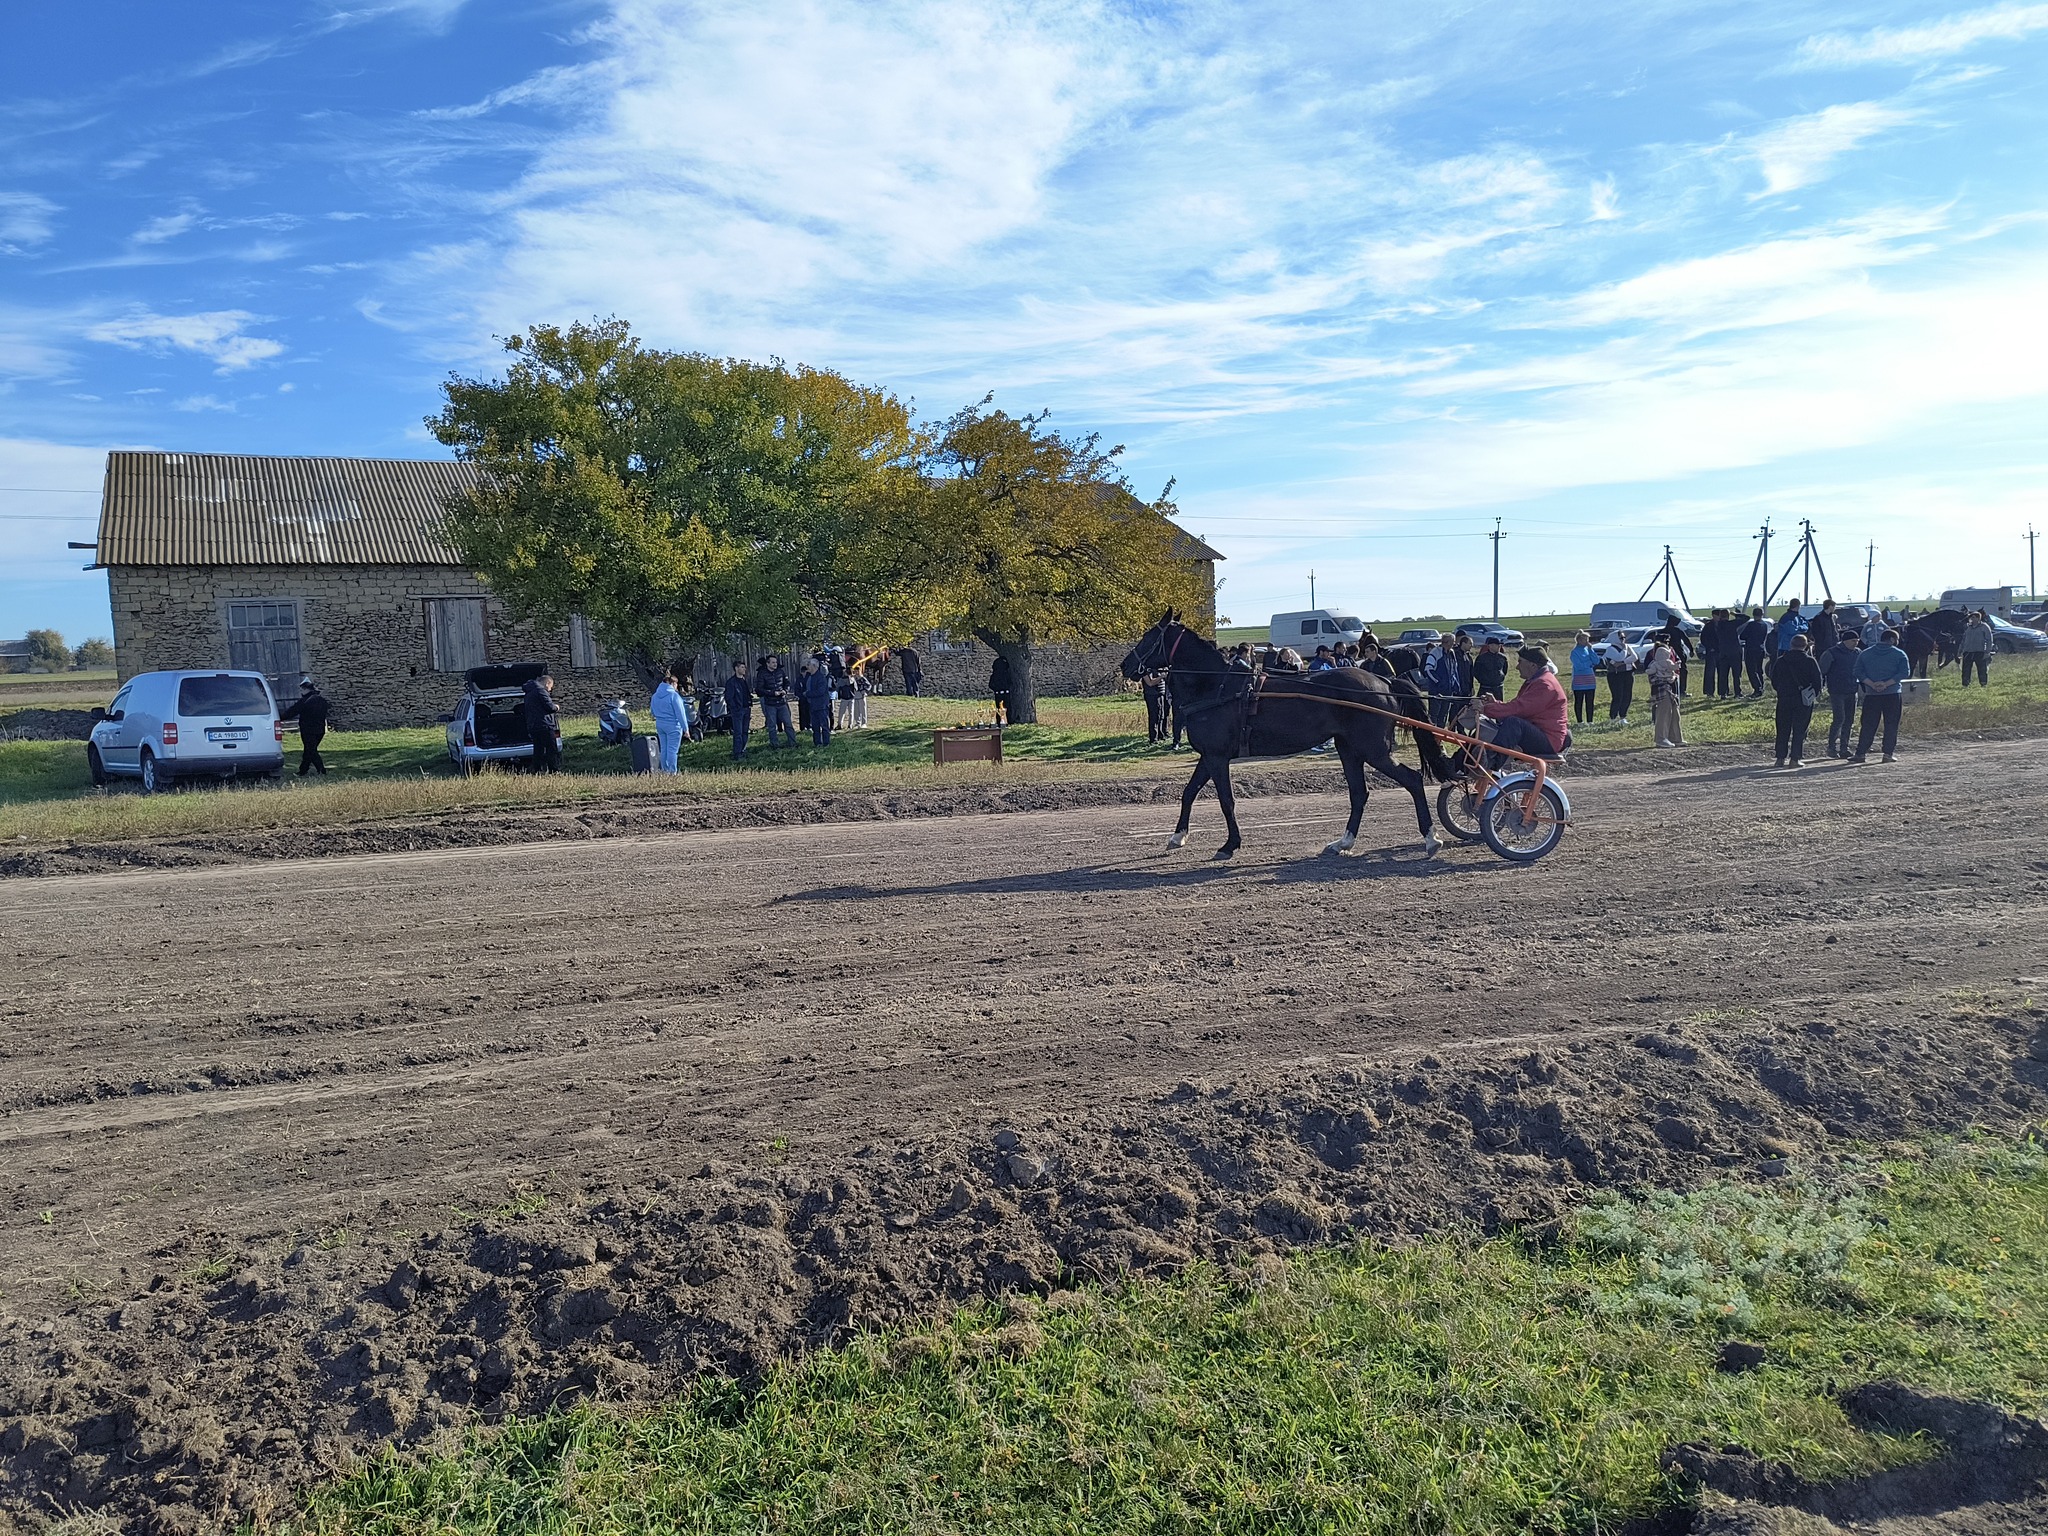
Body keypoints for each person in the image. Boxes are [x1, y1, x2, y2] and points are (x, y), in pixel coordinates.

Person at [1478, 646, 1569, 759]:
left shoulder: (1544, 684)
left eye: (1520, 662)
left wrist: (1485, 709)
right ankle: (1459, 765)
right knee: (1485, 728)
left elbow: (1519, 709)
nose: (1517, 667)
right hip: (1543, 733)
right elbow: (1518, 705)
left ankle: (1490, 765)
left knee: (1514, 723)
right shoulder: (1538, 680)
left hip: (1548, 739)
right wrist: (1495, 703)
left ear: (1533, 665)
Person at [1851, 628, 1912, 763]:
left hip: (1872, 694)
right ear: (1891, 640)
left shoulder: (1865, 653)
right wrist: (1886, 684)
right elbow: (1904, 672)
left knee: (1868, 724)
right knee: (1891, 724)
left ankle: (1861, 753)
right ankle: (1887, 754)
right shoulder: (1899, 654)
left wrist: (1872, 684)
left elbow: (1857, 671)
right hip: (1892, 693)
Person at [1768, 634, 1823, 768]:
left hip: (1784, 698)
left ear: (1791, 645)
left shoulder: (1781, 660)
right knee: (1800, 730)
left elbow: (1773, 679)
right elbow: (1818, 681)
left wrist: (1781, 690)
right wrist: (1812, 694)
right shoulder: (1810, 661)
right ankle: (1795, 758)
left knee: (1782, 728)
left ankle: (1780, 758)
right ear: (1805, 646)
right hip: (1803, 700)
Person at [1819, 631, 1861, 758]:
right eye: (1853, 641)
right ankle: (1831, 748)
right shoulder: (1831, 653)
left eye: (1857, 641)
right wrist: (1820, 687)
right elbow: (1822, 670)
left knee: (1849, 720)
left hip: (1852, 690)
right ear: (1845, 641)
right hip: (1837, 691)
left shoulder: (1858, 653)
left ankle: (1844, 748)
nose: (1856, 643)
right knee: (1839, 719)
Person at [279, 677, 332, 776]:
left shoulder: (305, 701)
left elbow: (292, 711)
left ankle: (321, 771)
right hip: (320, 730)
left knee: (311, 751)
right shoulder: (322, 700)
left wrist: (278, 718)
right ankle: (303, 771)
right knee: (309, 750)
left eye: (301, 690)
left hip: (308, 730)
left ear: (305, 689)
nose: (300, 692)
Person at [1424, 635, 1471, 726]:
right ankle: (1432, 735)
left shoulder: (1452, 653)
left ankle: (1440, 736)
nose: (1455, 643)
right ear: (1447, 642)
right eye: (1453, 641)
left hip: (1448, 691)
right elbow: (1428, 669)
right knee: (1434, 715)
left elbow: (1454, 670)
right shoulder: (1435, 653)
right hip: (1436, 691)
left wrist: (1456, 685)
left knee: (1444, 714)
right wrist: (1439, 682)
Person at [1646, 641, 1684, 747]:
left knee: (1675, 712)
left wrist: (1672, 676)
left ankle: (1675, 737)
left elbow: (1674, 671)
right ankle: (1661, 738)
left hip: (1670, 690)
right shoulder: (1654, 665)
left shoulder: (1668, 664)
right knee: (1664, 713)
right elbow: (1652, 679)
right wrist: (1666, 678)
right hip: (1661, 691)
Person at [649, 670, 688, 773]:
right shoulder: (674, 696)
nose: (676, 687)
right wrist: (686, 729)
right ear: (672, 683)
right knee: (672, 750)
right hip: (673, 726)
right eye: (676, 684)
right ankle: (672, 772)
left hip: (660, 724)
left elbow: (652, 711)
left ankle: (664, 770)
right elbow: (680, 714)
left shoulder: (655, 696)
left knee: (664, 749)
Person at [522, 671, 561, 772]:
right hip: (545, 725)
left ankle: (537, 769)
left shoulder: (529, 692)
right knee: (551, 748)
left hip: (533, 725)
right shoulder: (541, 691)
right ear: (547, 683)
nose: (550, 690)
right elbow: (549, 707)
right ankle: (554, 770)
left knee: (538, 749)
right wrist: (556, 707)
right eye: (550, 687)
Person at [755, 655, 797, 748]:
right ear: (767, 663)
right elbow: (759, 689)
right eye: (773, 662)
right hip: (770, 703)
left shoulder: (780, 672)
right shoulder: (762, 674)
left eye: (776, 662)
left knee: (788, 724)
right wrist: (773, 693)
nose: (775, 664)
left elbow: (787, 683)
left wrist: (785, 691)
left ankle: (793, 743)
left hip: (782, 702)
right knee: (772, 726)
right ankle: (774, 745)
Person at [1602, 630, 1636, 723]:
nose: (1623, 640)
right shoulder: (1610, 649)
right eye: (1621, 638)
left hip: (1628, 673)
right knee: (1618, 696)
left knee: (1627, 695)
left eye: (1624, 638)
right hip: (1616, 675)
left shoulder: (1627, 646)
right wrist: (1625, 650)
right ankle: (1613, 717)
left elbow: (1635, 657)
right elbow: (1619, 657)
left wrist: (1623, 662)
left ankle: (1623, 716)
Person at [1709, 608, 1744, 698]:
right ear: (1728, 616)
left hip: (1723, 652)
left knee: (1723, 674)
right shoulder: (1732, 624)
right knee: (1736, 674)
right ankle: (1737, 693)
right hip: (1734, 652)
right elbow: (1746, 618)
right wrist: (1736, 614)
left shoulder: (1718, 625)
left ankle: (1722, 693)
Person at [800, 656, 834, 746]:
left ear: (814, 666)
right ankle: (817, 743)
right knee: (815, 726)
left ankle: (826, 743)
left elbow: (821, 691)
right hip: (813, 705)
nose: (807, 666)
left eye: (809, 665)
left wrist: (807, 694)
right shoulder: (810, 677)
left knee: (824, 725)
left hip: (821, 705)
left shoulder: (820, 677)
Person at [723, 661, 753, 760]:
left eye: (744, 667)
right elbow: (729, 697)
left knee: (745, 732)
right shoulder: (731, 682)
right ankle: (737, 753)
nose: (744, 669)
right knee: (738, 733)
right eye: (742, 667)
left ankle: (743, 749)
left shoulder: (744, 681)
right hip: (738, 711)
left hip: (746, 709)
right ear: (736, 668)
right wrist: (735, 708)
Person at [1738, 607, 1771, 697]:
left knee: (1751, 670)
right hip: (1760, 648)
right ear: (1762, 614)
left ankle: (1757, 689)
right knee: (1759, 669)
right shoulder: (1764, 625)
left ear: (1753, 614)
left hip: (1751, 649)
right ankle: (1761, 687)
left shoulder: (1751, 625)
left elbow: (1742, 636)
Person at [1568, 631, 1598, 725]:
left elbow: (1596, 661)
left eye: (1587, 639)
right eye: (1585, 639)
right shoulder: (1574, 652)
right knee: (1579, 701)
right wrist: (1589, 664)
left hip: (1590, 679)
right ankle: (1580, 721)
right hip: (1579, 680)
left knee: (1590, 701)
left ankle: (1590, 720)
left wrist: (1591, 650)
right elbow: (1578, 666)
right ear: (1579, 640)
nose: (1587, 641)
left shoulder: (1588, 649)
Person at [1960, 610, 1993, 687]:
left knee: (1982, 669)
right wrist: (1960, 650)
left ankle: (1983, 684)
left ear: (1978, 618)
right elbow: (1963, 639)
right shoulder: (1968, 627)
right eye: (1971, 617)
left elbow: (1989, 639)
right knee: (1966, 669)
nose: (1972, 619)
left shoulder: (1984, 627)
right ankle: (1965, 684)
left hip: (1979, 651)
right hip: (1968, 651)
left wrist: (1987, 651)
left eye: (1973, 617)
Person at [1472, 637, 1510, 701]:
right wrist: (1483, 680)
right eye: (1497, 645)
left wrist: (1500, 679)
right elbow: (1476, 671)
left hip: (1498, 688)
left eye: (1499, 645)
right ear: (1490, 646)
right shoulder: (1481, 658)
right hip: (1485, 687)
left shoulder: (1502, 658)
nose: (1499, 647)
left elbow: (1504, 670)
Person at [1142, 670, 1168, 742]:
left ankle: (1161, 735)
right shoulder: (1146, 670)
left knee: (1161, 715)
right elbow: (1150, 683)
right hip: (1151, 694)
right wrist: (1161, 677)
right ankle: (1153, 738)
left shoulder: (1160, 669)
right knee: (1154, 716)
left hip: (1160, 693)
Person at [989, 653, 1014, 724]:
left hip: (1001, 693)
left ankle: (1001, 722)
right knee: (1004, 709)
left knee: (1003, 709)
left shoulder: (999, 675)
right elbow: (1010, 682)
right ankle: (1006, 722)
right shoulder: (1004, 674)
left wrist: (997, 689)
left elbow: (991, 685)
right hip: (1003, 693)